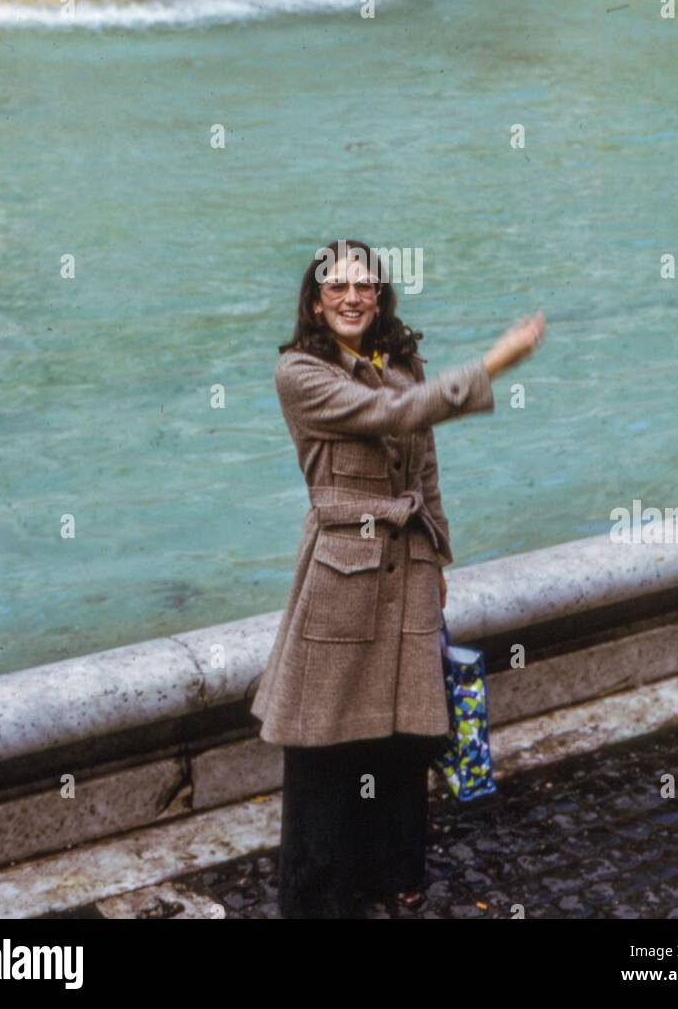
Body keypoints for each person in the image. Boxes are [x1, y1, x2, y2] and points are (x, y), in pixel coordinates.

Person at [250, 238, 545, 918]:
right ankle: (316, 895)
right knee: (323, 738)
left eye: (366, 286)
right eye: (337, 287)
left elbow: (424, 468)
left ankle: (393, 870)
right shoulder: (299, 373)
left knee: (404, 734)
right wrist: (495, 362)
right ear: (315, 301)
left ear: (380, 297)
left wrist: (438, 556)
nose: (352, 297)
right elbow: (393, 416)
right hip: (340, 570)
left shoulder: (400, 363)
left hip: (408, 562)